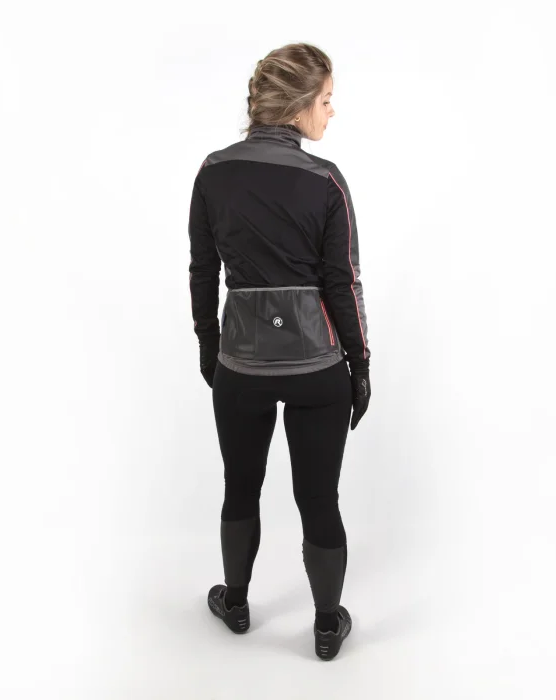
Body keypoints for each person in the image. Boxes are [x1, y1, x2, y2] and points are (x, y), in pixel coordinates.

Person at [188, 42, 371, 661]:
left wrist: (210, 348)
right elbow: (342, 282)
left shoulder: (213, 171)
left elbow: (203, 271)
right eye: (326, 100)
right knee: (319, 498)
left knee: (240, 487)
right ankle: (326, 625)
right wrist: (360, 365)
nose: (331, 112)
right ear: (297, 108)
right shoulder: (325, 180)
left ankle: (236, 603)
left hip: (240, 366)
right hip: (318, 368)